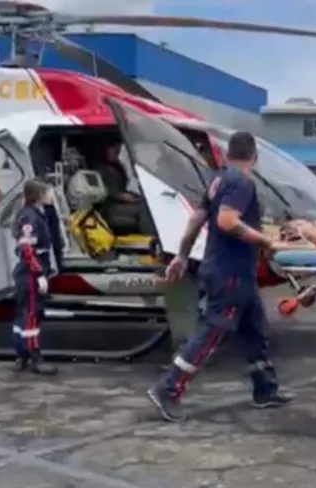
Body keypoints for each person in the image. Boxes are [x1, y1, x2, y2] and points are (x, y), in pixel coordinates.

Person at [147, 131, 294, 422]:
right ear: (254, 157)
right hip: (231, 272)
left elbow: (196, 219)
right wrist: (265, 241)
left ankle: (265, 389)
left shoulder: (218, 180)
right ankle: (169, 388)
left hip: (232, 270)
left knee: (255, 328)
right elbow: (226, 221)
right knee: (213, 331)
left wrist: (182, 255)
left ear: (228, 155)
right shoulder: (242, 182)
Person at [11, 179, 60, 376]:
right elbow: (27, 249)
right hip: (30, 275)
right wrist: (39, 274)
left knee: (24, 315)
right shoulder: (30, 218)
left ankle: (21, 355)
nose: (52, 195)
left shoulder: (32, 214)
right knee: (31, 316)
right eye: (48, 192)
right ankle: (34, 356)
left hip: (29, 273)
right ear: (39, 195)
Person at [92, 140, 147, 235]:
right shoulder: (99, 169)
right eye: (112, 146)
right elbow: (108, 191)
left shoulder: (118, 168)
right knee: (143, 210)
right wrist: (123, 197)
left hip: (122, 202)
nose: (116, 149)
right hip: (108, 207)